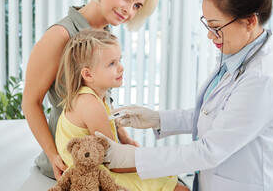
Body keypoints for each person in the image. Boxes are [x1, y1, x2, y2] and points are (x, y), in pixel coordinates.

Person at [96, 0, 273, 190]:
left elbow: (210, 150)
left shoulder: (264, 79)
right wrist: (158, 119)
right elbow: (215, 116)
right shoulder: (238, 53)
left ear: (250, 21)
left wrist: (132, 158)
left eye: (216, 27)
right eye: (207, 25)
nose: (210, 36)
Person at [22, 0, 159, 180]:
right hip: (70, 161)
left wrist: (122, 136)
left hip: (104, 156)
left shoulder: (106, 36)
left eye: (137, 6)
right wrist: (54, 157)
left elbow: (102, 102)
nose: (129, 10)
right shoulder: (60, 35)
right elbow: (30, 102)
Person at [54, 29, 187, 191]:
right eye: (112, 64)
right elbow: (114, 163)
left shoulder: (92, 98)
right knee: (177, 186)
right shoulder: (91, 105)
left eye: (119, 60)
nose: (121, 68)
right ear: (88, 75)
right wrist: (154, 164)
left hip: (94, 173)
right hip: (97, 179)